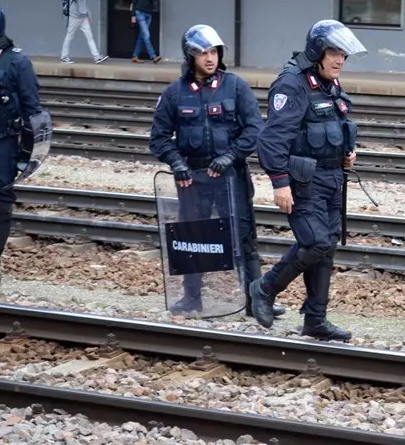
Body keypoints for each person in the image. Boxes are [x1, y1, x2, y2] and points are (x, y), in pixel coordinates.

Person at [149, 23, 284, 318]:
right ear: (190, 56)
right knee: (192, 236)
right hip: (192, 180)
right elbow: (158, 139)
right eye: (202, 53)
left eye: (213, 52)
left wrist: (231, 156)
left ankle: (255, 300)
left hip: (230, 178)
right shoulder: (174, 93)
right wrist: (177, 162)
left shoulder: (236, 86)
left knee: (244, 238)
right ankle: (191, 299)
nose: (209, 58)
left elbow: (255, 129)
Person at [248, 19, 365, 342]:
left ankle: (316, 319)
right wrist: (279, 183)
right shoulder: (292, 84)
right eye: (334, 52)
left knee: (325, 250)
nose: (340, 60)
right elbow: (272, 140)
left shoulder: (330, 83)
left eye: (344, 54)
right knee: (316, 242)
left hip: (332, 178)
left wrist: (346, 153)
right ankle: (265, 288)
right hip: (304, 182)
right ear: (317, 51)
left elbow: (331, 125)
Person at [0, 3, 44, 285]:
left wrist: (27, 158)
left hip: (1, 144)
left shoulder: (17, 62)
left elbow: (34, 114)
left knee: (1, 204)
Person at [60, 0, 108, 65]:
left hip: (83, 17)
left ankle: (97, 57)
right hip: (74, 17)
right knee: (69, 36)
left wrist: (89, 15)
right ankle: (63, 57)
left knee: (90, 37)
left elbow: (84, 3)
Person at [130, 0, 161, 64]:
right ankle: (153, 56)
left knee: (142, 36)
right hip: (139, 12)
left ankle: (135, 56)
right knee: (146, 35)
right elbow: (134, 0)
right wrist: (133, 14)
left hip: (149, 13)